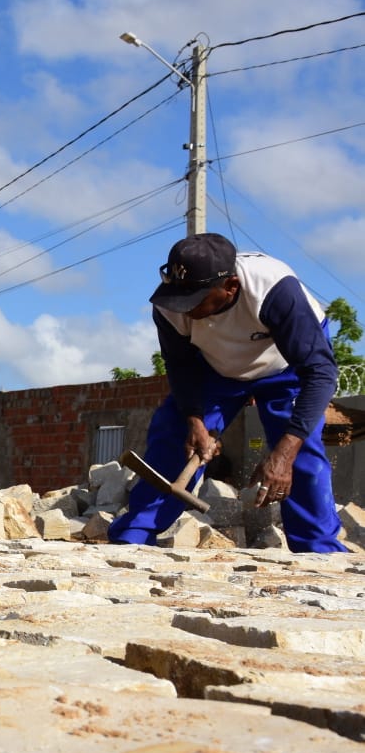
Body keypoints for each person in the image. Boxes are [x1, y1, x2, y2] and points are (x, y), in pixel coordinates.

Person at [109, 232, 346, 553]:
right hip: (214, 369)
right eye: (180, 297)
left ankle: (318, 549)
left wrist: (284, 453)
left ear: (230, 286)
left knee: (301, 451)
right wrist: (195, 421)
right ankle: (135, 535)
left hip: (285, 366)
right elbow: (180, 366)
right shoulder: (169, 306)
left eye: (195, 300)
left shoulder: (275, 290)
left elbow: (320, 372)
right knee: (174, 440)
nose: (184, 308)